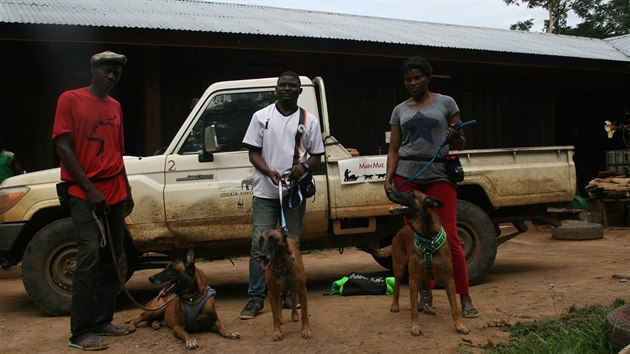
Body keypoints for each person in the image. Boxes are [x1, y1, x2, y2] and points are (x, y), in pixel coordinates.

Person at [384, 55, 479, 319]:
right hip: (407, 175)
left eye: (417, 77)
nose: (413, 83)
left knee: (448, 236)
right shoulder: (399, 110)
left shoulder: (446, 103)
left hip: (438, 173)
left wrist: (455, 135)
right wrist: (389, 178)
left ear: (428, 77)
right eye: (408, 79)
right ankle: (425, 292)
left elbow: (461, 143)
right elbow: (394, 148)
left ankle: (464, 295)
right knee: (417, 239)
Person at [52, 50, 135, 351]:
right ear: (93, 70)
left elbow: (116, 152)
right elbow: (63, 148)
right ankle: (80, 331)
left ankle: (102, 320)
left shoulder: (115, 106)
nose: (111, 76)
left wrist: (126, 190)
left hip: (114, 190)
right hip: (83, 192)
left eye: (116, 72)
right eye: (106, 70)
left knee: (114, 258)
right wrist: (90, 190)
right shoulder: (70, 99)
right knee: (88, 258)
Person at [240, 71, 324, 319]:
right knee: (260, 245)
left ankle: (289, 295)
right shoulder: (261, 117)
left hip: (294, 193)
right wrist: (268, 171)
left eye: (292, 86)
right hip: (265, 192)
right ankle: (256, 298)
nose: (287, 88)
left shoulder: (309, 120)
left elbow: (316, 154)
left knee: (291, 245)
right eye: (282, 85)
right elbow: (253, 153)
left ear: (299, 91)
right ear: (276, 89)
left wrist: (304, 167)